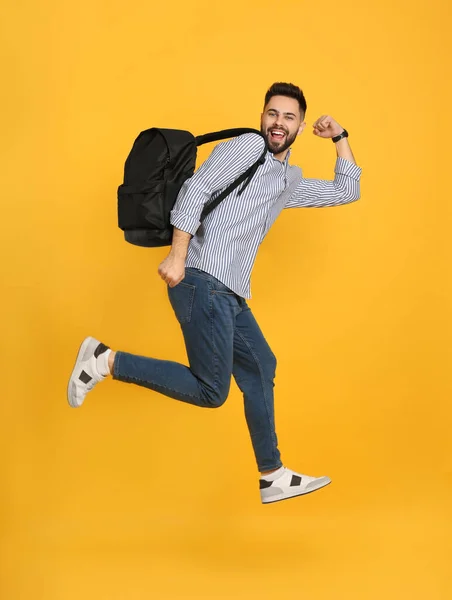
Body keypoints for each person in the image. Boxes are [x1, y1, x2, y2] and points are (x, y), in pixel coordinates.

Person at [67, 82, 362, 504]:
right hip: (202, 278)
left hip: (229, 290)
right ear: (262, 116)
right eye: (272, 113)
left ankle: (272, 474)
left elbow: (345, 191)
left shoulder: (285, 178)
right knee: (211, 390)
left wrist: (339, 137)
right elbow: (196, 189)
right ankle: (104, 360)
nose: (278, 123)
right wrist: (177, 256)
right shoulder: (247, 147)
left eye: (288, 117)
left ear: (299, 126)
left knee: (261, 364)